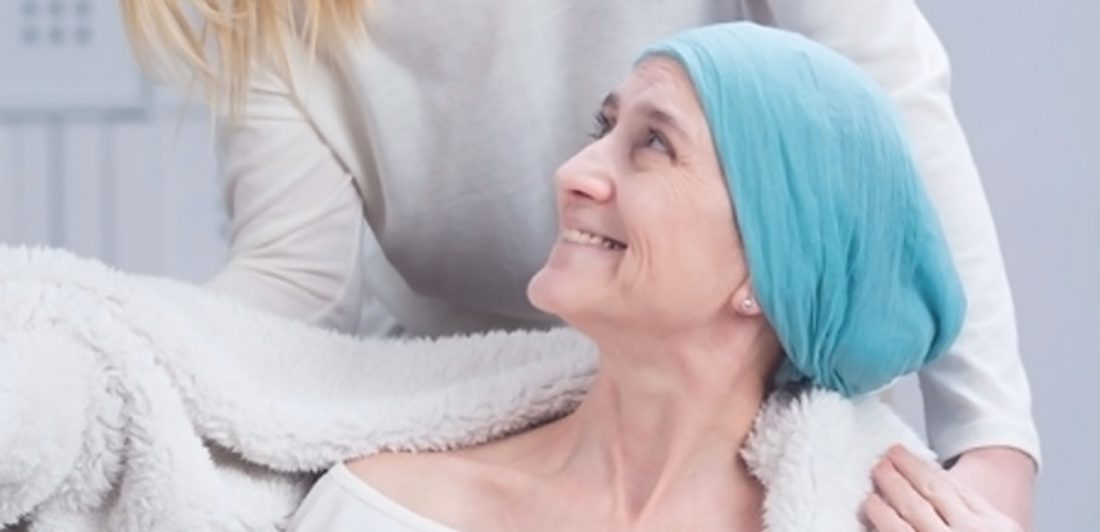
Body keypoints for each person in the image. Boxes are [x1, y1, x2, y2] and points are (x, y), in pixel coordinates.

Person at [120, 0, 1039, 526]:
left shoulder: (824, 505)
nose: (564, 175)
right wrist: (113, 368)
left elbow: (885, 116)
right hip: (464, 417)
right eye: (600, 132)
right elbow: (289, 288)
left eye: (648, 143)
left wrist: (990, 456)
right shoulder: (375, 502)